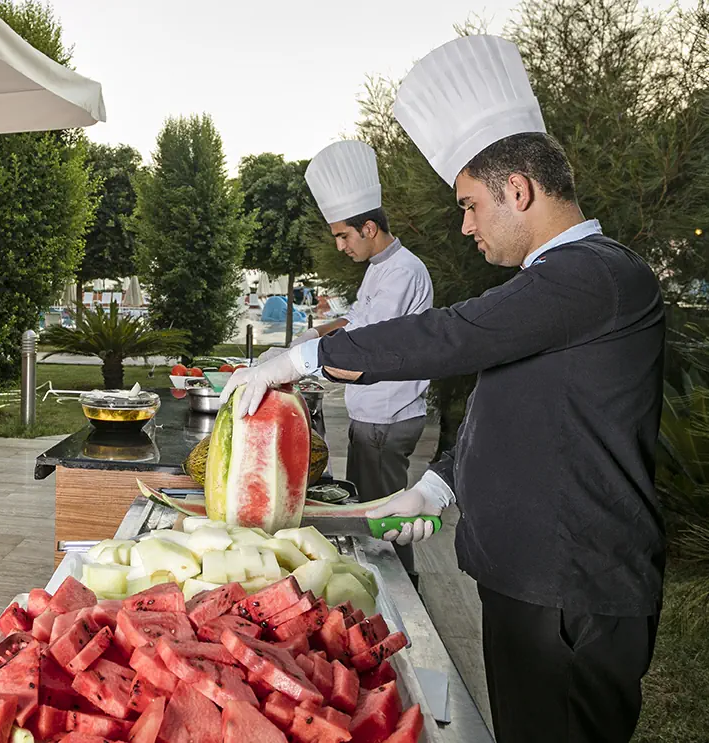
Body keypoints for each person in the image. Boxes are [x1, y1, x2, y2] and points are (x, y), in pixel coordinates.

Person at [221, 35, 664, 743]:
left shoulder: (597, 274)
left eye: (469, 204)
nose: (464, 226)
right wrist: (435, 486)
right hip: (529, 581)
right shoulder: (557, 287)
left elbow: (450, 334)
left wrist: (303, 357)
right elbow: (510, 409)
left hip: (572, 587)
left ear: (517, 189)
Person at [259, 140, 433, 587]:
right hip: (373, 414)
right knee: (370, 508)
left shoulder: (403, 271)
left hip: (388, 415)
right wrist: (310, 336)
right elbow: (354, 318)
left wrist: (298, 363)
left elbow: (365, 342)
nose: (339, 246)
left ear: (368, 227)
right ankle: (384, 579)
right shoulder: (381, 266)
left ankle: (400, 590)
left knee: (383, 515)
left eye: (343, 236)